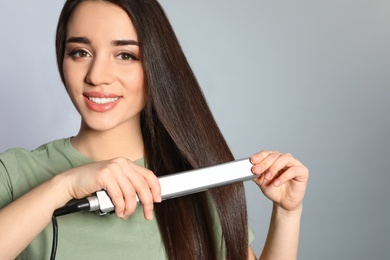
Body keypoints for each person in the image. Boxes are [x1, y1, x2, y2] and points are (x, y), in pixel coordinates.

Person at [0, 0, 309, 259]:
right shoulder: (16, 174)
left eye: (125, 55)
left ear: (155, 65)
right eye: (80, 52)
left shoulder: (195, 184)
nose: (97, 76)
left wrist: (287, 214)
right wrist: (63, 187)